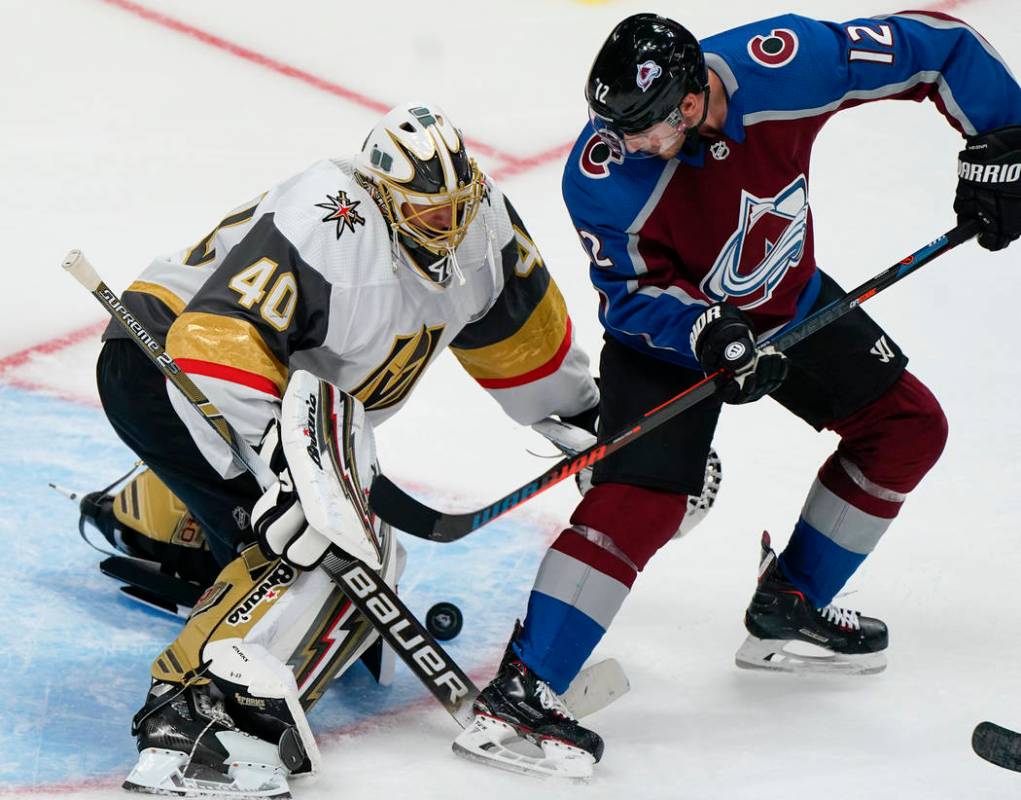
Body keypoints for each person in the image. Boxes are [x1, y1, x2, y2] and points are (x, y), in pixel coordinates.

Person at [459, 11, 1021, 777]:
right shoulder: (600, 175)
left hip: (784, 301)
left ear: (690, 104)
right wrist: (707, 336)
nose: (619, 145)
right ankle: (522, 691)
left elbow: (939, 46)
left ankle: (787, 607)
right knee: (647, 495)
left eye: (641, 129)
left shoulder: (787, 64)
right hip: (671, 336)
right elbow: (629, 296)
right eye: (612, 125)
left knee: (906, 427)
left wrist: (1005, 144)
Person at [88, 101, 599, 797]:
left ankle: (161, 526)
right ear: (384, 199)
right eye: (426, 214)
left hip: (264, 392)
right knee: (316, 541)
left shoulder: (485, 225)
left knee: (327, 535)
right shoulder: (327, 221)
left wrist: (588, 420)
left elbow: (524, 341)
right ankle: (192, 718)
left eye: (457, 207)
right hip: (173, 368)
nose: (447, 230)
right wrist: (289, 471)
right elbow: (219, 343)